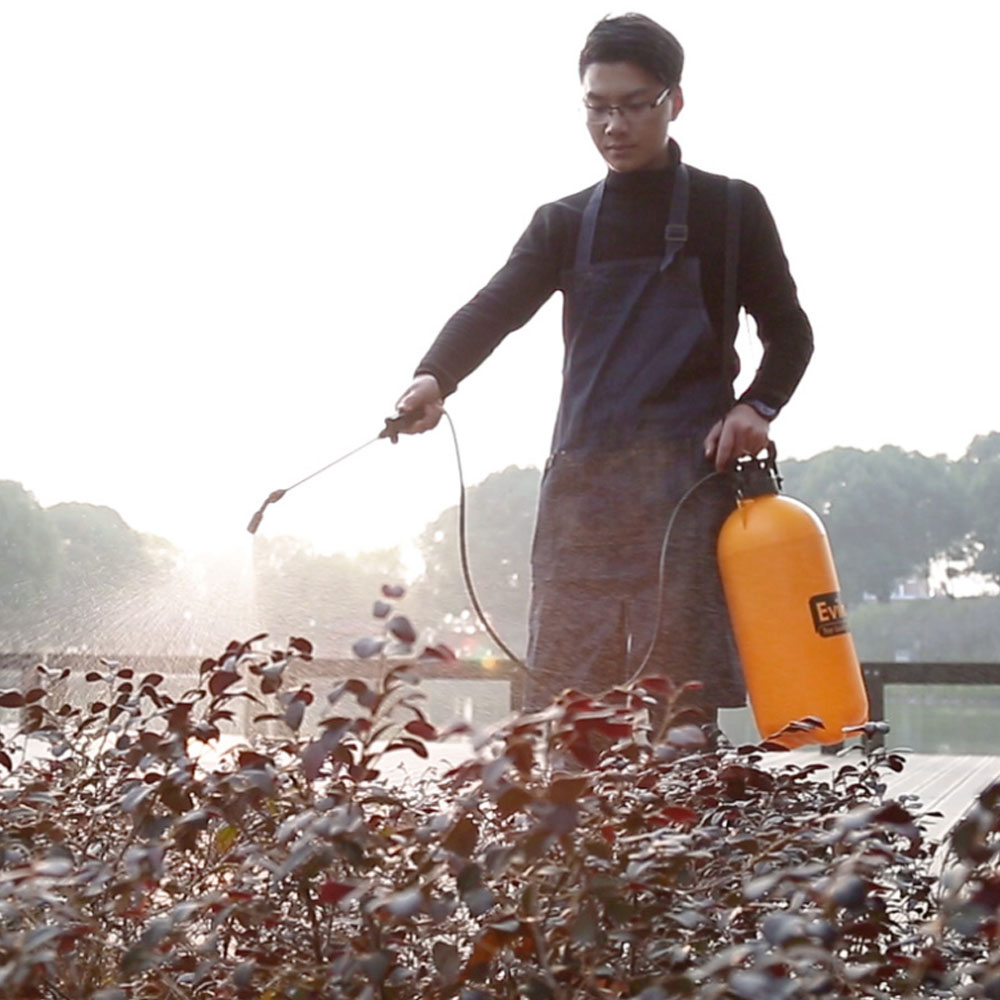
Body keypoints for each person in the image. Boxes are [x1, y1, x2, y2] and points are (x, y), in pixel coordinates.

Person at [393, 13, 813, 717]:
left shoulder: (731, 209)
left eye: (631, 106)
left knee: (680, 715)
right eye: (596, 107)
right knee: (564, 715)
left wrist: (756, 406)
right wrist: (433, 377)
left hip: (687, 491)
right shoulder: (563, 222)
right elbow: (493, 309)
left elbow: (791, 333)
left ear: (674, 102)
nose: (612, 126)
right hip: (582, 496)